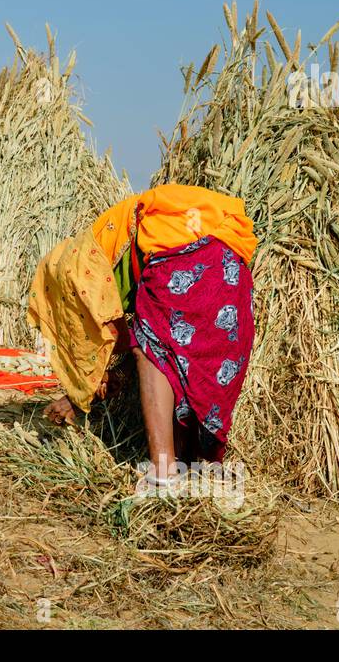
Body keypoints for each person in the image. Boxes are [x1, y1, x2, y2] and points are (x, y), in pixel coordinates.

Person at [27, 184, 258, 492]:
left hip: (182, 266)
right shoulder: (149, 220)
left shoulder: (86, 267)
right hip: (232, 275)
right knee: (191, 365)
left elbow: (115, 337)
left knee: (151, 350)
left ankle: (163, 473)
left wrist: (78, 396)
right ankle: (200, 467)